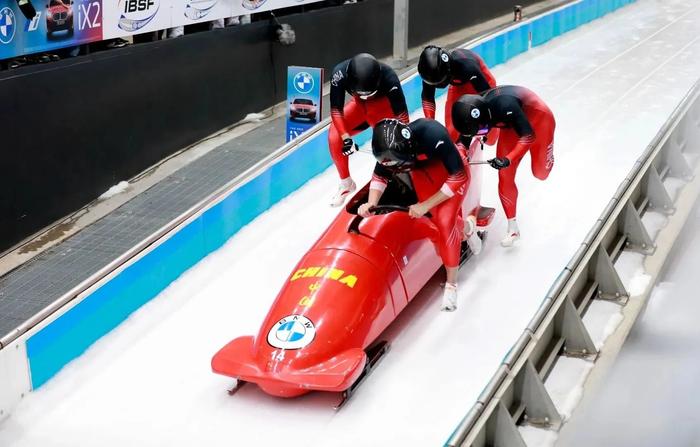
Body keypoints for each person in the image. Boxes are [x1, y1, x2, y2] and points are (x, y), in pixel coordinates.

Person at [358, 118, 482, 312]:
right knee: (437, 223)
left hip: (453, 173)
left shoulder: (432, 135)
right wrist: (371, 203)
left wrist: (425, 205)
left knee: (444, 220)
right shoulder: (388, 151)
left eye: (398, 164)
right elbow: (379, 176)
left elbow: (458, 177)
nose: (395, 169)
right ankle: (468, 228)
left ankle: (451, 285)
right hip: (423, 177)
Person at [451, 86, 556, 247]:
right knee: (504, 174)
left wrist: (508, 159)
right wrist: (460, 153)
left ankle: (547, 154)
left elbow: (528, 136)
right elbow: (464, 139)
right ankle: (513, 228)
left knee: (540, 173)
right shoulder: (472, 111)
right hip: (511, 126)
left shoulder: (504, 106)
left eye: (481, 130)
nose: (481, 133)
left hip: (539, 120)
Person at [328, 53, 410, 207]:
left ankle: (399, 176)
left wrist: (402, 141)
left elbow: (403, 117)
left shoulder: (389, 77)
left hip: (381, 106)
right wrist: (346, 138)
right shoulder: (339, 75)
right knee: (334, 136)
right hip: (358, 106)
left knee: (386, 143)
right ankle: (346, 183)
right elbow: (336, 111)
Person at [417, 45, 497, 142]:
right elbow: (427, 97)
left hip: (482, 83)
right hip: (458, 86)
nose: (438, 85)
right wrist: (430, 122)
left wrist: (468, 135)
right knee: (452, 133)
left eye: (440, 81)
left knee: (490, 137)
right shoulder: (430, 73)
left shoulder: (468, 67)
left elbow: (486, 98)